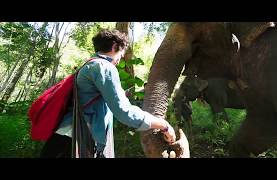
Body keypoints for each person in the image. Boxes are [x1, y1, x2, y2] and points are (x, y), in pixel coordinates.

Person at [40, 29, 176, 158]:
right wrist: (163, 125)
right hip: (73, 141)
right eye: (121, 54)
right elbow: (124, 112)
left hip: (64, 137)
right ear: (114, 46)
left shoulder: (89, 65)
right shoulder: (104, 67)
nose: (120, 59)